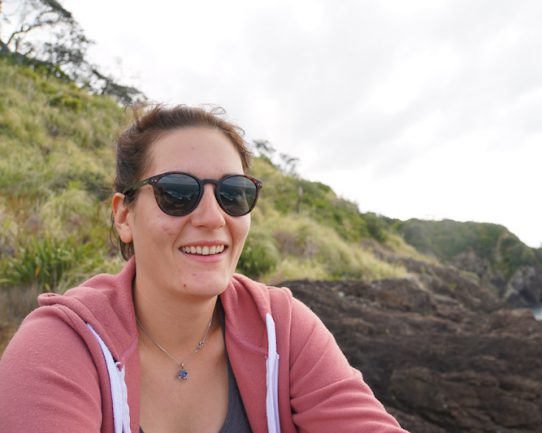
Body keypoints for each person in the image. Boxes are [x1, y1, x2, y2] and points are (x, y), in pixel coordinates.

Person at [0, 105, 408, 433]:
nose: (213, 217)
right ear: (124, 216)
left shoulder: (282, 330)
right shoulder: (60, 347)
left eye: (234, 194)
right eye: (177, 192)